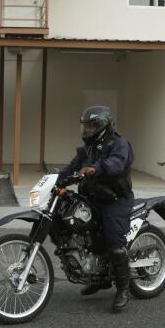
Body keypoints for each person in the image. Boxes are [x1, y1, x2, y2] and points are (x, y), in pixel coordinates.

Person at [57, 105, 135, 313]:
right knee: (78, 227)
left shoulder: (119, 144)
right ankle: (98, 277)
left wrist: (97, 168)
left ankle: (123, 290)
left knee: (113, 241)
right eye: (86, 126)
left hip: (115, 199)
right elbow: (71, 167)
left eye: (92, 126)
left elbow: (117, 163)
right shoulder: (88, 149)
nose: (87, 130)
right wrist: (55, 179)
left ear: (103, 126)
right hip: (93, 197)